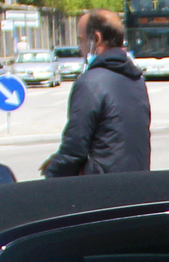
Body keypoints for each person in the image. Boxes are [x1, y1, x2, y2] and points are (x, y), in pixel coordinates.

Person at [40, 10, 151, 177]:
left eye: (81, 40)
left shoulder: (90, 83)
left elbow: (74, 149)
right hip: (137, 185)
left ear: (96, 39)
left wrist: (51, 175)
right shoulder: (136, 80)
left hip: (103, 190)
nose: (80, 48)